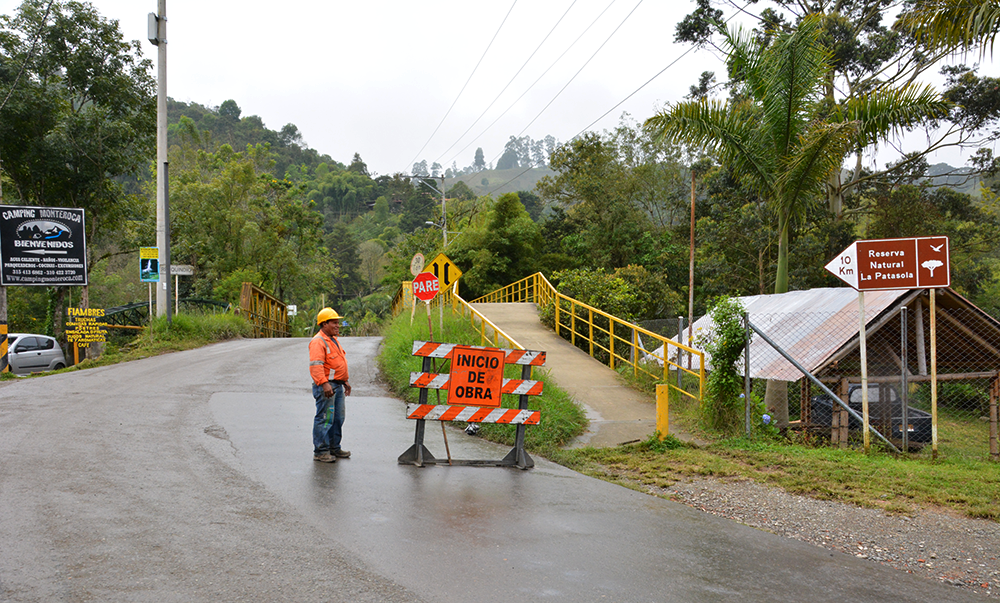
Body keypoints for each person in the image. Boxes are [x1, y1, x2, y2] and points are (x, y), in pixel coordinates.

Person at [309, 307, 352, 463]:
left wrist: (344, 380)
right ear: (324, 324)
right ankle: (320, 451)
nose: (337, 326)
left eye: (337, 323)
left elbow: (336, 363)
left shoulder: (333, 340)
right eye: (334, 323)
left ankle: (334, 447)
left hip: (336, 385)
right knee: (325, 418)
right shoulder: (318, 341)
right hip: (327, 387)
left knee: (337, 418)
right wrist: (324, 384)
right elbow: (316, 365)